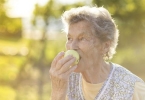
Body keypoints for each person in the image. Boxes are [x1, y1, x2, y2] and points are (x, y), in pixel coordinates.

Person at [49, 6, 145, 100]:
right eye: (69, 38)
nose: (72, 47)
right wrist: (58, 93)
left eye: (82, 38)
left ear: (105, 46)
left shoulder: (133, 89)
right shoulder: (64, 81)